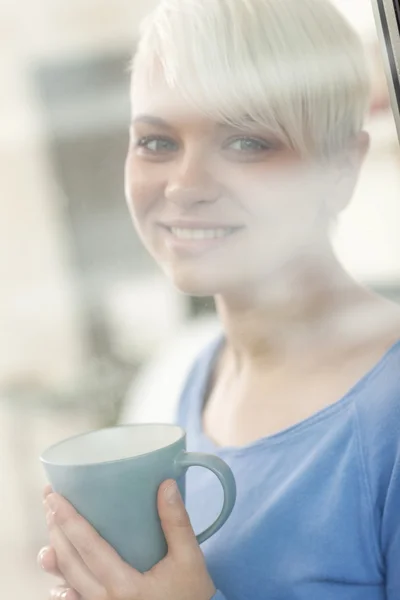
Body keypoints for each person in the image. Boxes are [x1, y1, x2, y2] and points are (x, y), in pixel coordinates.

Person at [38, 0, 400, 598]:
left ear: (342, 166)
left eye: (247, 143)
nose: (185, 186)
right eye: (155, 141)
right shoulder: (179, 379)